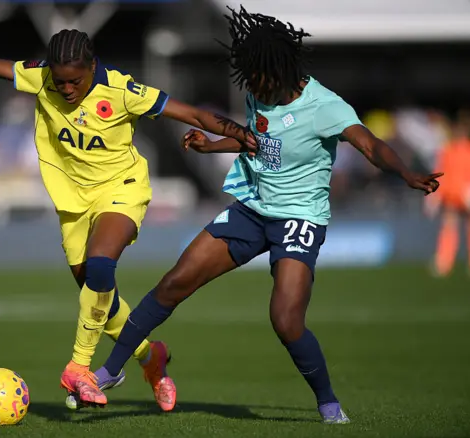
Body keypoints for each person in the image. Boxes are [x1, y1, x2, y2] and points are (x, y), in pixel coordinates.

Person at [92, 6, 442, 421]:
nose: (254, 86)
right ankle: (110, 371)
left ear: (283, 70)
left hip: (299, 219)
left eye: (260, 78)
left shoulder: (325, 106)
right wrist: (212, 145)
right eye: (250, 79)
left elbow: (369, 145)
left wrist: (405, 172)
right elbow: (259, 144)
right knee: (175, 281)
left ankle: (329, 405)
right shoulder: (259, 89)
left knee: (285, 319)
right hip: (252, 210)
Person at [0, 20, 253, 410]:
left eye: (73, 82)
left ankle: (79, 367)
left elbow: (194, 115)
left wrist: (244, 135)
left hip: (121, 189)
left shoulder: (123, 91)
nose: (65, 89)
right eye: (59, 82)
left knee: (100, 266)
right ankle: (151, 358)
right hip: (72, 204)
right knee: (99, 297)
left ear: (92, 67)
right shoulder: (40, 77)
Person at [425, 109, 470, 276]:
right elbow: (440, 173)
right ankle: (444, 262)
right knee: (449, 227)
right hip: (452, 195)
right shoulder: (448, 151)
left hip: (465, 195)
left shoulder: (467, 150)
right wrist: (434, 196)